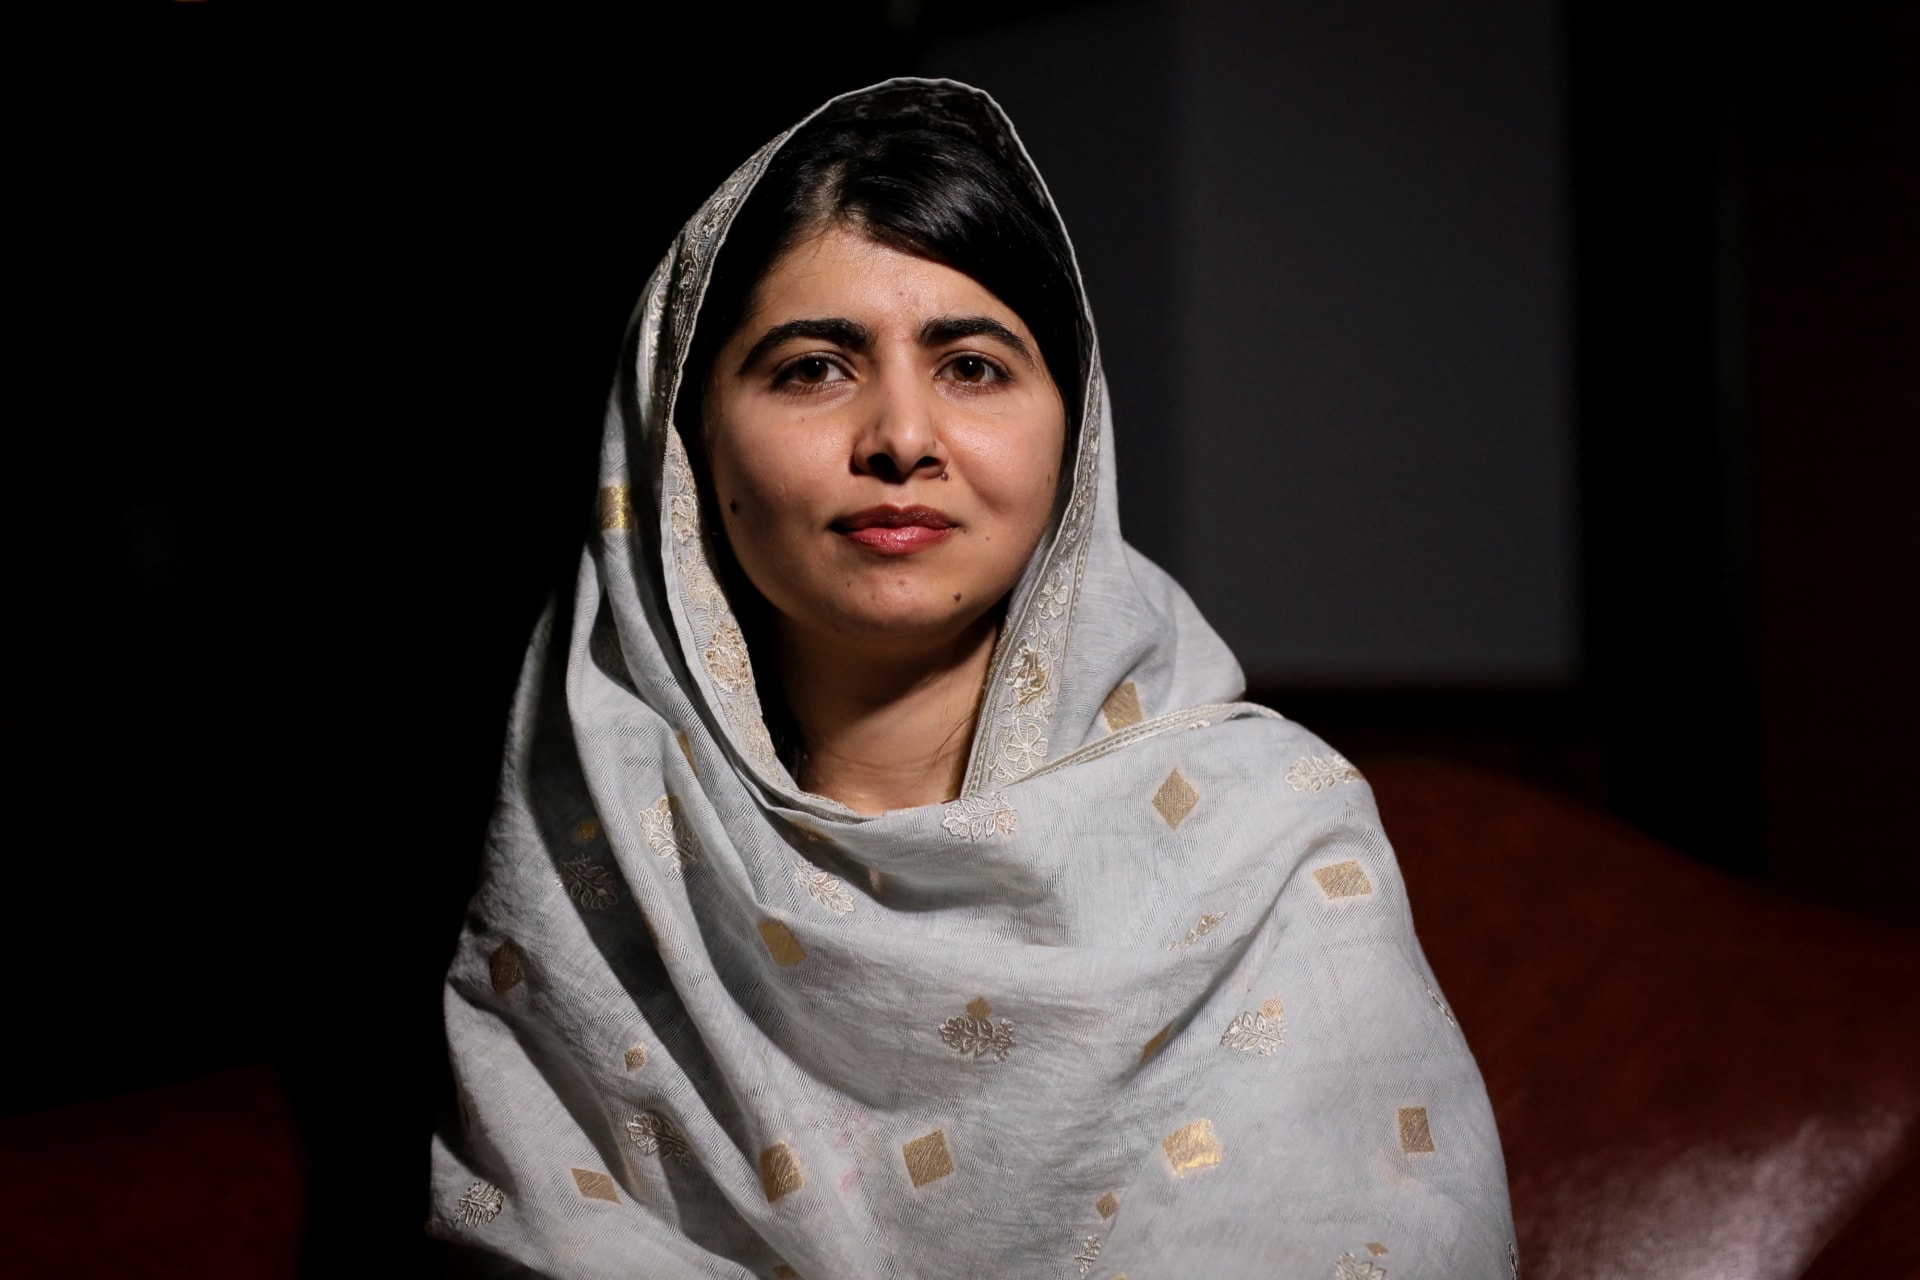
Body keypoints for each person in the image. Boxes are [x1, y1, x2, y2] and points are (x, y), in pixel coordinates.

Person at [430, 79, 1516, 1278]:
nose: (902, 435)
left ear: (1074, 429)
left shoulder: (1261, 839)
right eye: (811, 368)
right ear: (684, 445)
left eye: (975, 366)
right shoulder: (589, 845)